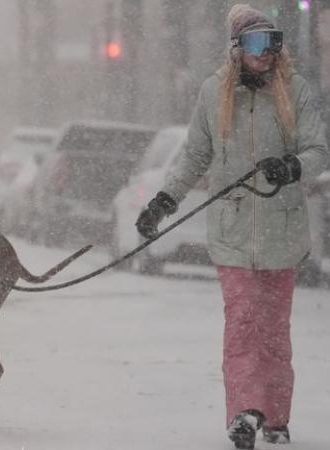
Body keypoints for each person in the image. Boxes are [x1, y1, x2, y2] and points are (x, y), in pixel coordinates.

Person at [135, 4, 328, 449]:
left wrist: (292, 166)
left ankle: (276, 417)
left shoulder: (295, 90)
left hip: (283, 232)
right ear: (237, 48)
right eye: (258, 43)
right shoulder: (214, 93)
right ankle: (244, 412)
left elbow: (318, 150)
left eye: (274, 42)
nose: (267, 53)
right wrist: (163, 202)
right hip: (232, 231)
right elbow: (195, 157)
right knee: (241, 322)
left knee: (274, 329)